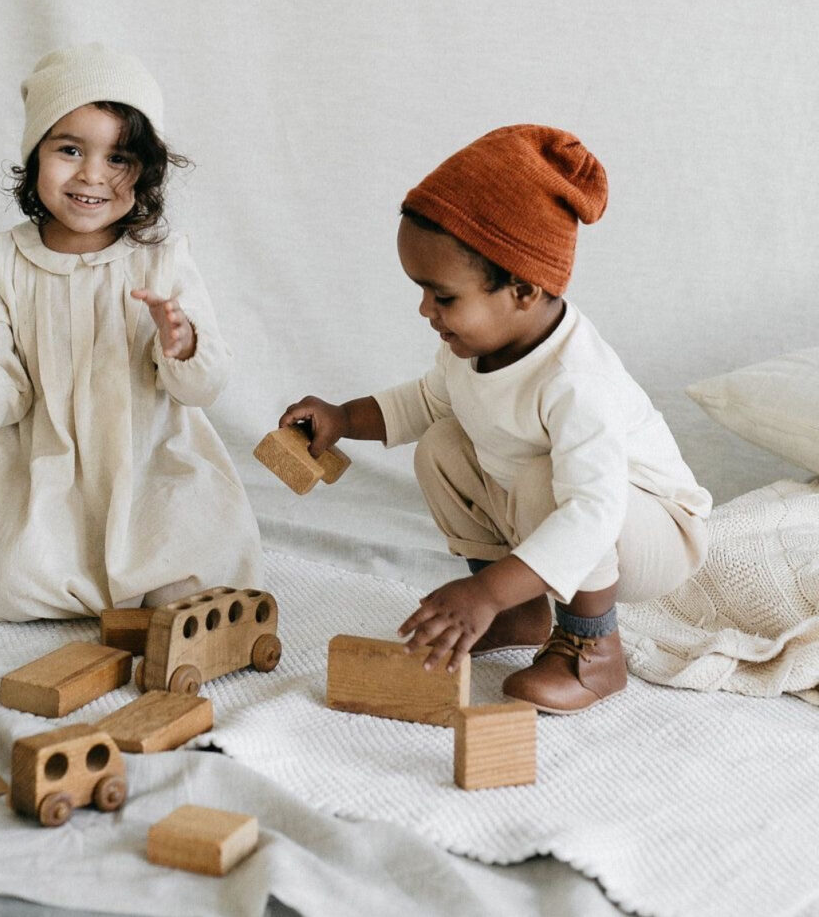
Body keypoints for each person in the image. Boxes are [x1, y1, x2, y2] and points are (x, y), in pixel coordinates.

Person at [280, 124, 711, 713]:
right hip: (570, 513)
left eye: (443, 296)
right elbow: (423, 404)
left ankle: (594, 648)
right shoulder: (473, 349)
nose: (425, 310)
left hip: (654, 531)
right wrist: (340, 418)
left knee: (544, 481)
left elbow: (593, 512)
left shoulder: (575, 380)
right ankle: (520, 612)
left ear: (523, 289)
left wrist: (480, 590)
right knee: (441, 444)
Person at [0, 44, 263, 622]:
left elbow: (202, 389)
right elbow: (10, 387)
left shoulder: (160, 260)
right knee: (3, 584)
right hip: (46, 466)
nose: (91, 175)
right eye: (71, 149)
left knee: (201, 558)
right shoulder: (1, 259)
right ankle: (78, 580)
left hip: (151, 463)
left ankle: (158, 582)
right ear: (35, 155)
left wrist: (182, 345)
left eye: (118, 158)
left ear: (145, 172)